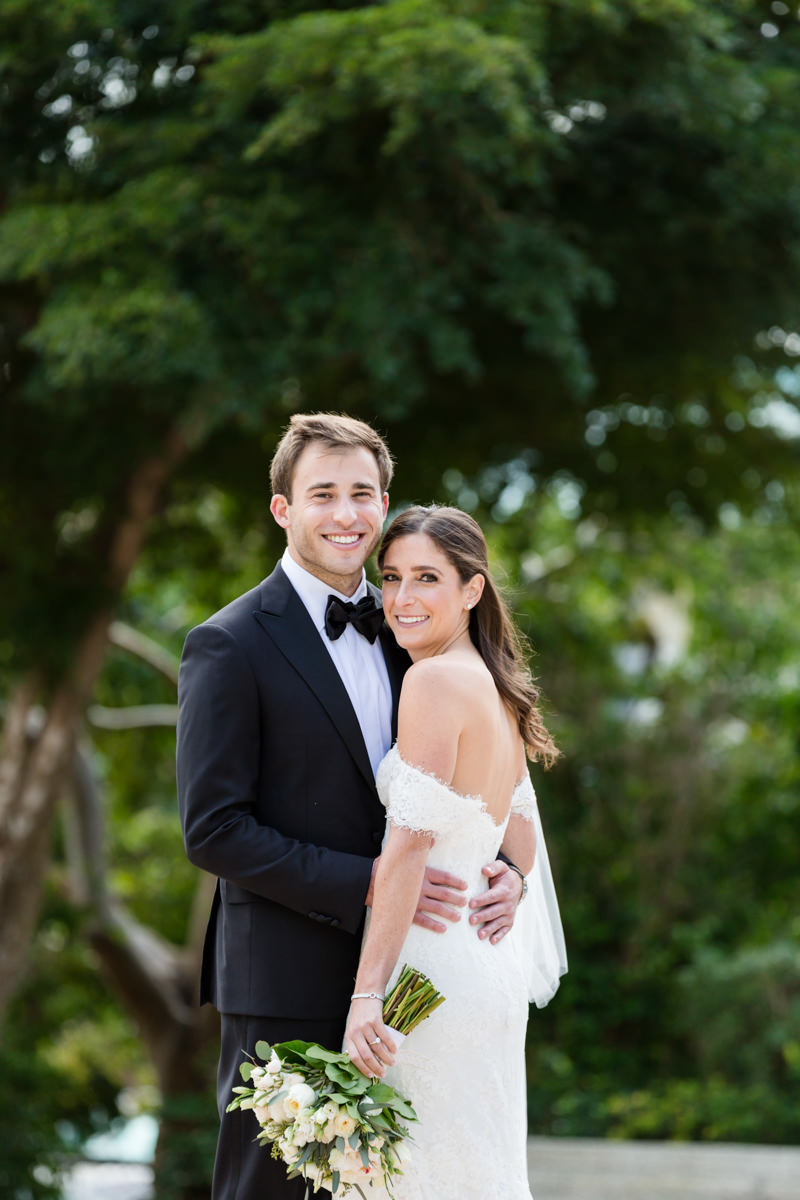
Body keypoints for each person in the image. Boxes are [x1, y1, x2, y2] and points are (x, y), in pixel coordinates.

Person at [176, 414, 527, 1200]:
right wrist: (371, 881)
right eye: (322, 494)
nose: (345, 513)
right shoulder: (228, 643)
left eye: (361, 493)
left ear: (384, 502)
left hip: (418, 977)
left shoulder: (416, 628)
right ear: (282, 510)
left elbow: (466, 780)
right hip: (286, 974)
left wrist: (507, 868)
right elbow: (214, 830)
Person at [345, 504, 567, 1200]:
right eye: (391, 577)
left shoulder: (434, 681)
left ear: (472, 590)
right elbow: (522, 834)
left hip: (429, 971)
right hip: (483, 970)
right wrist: (513, 882)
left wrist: (365, 994)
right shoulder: (495, 687)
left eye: (427, 579)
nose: (402, 599)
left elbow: (405, 853)